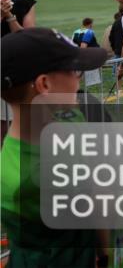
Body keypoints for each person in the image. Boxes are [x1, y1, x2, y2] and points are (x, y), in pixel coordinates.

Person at [0, 27, 110, 267]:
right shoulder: (27, 177)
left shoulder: (70, 118)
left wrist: (103, 254)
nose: (78, 77)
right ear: (44, 85)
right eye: (73, 69)